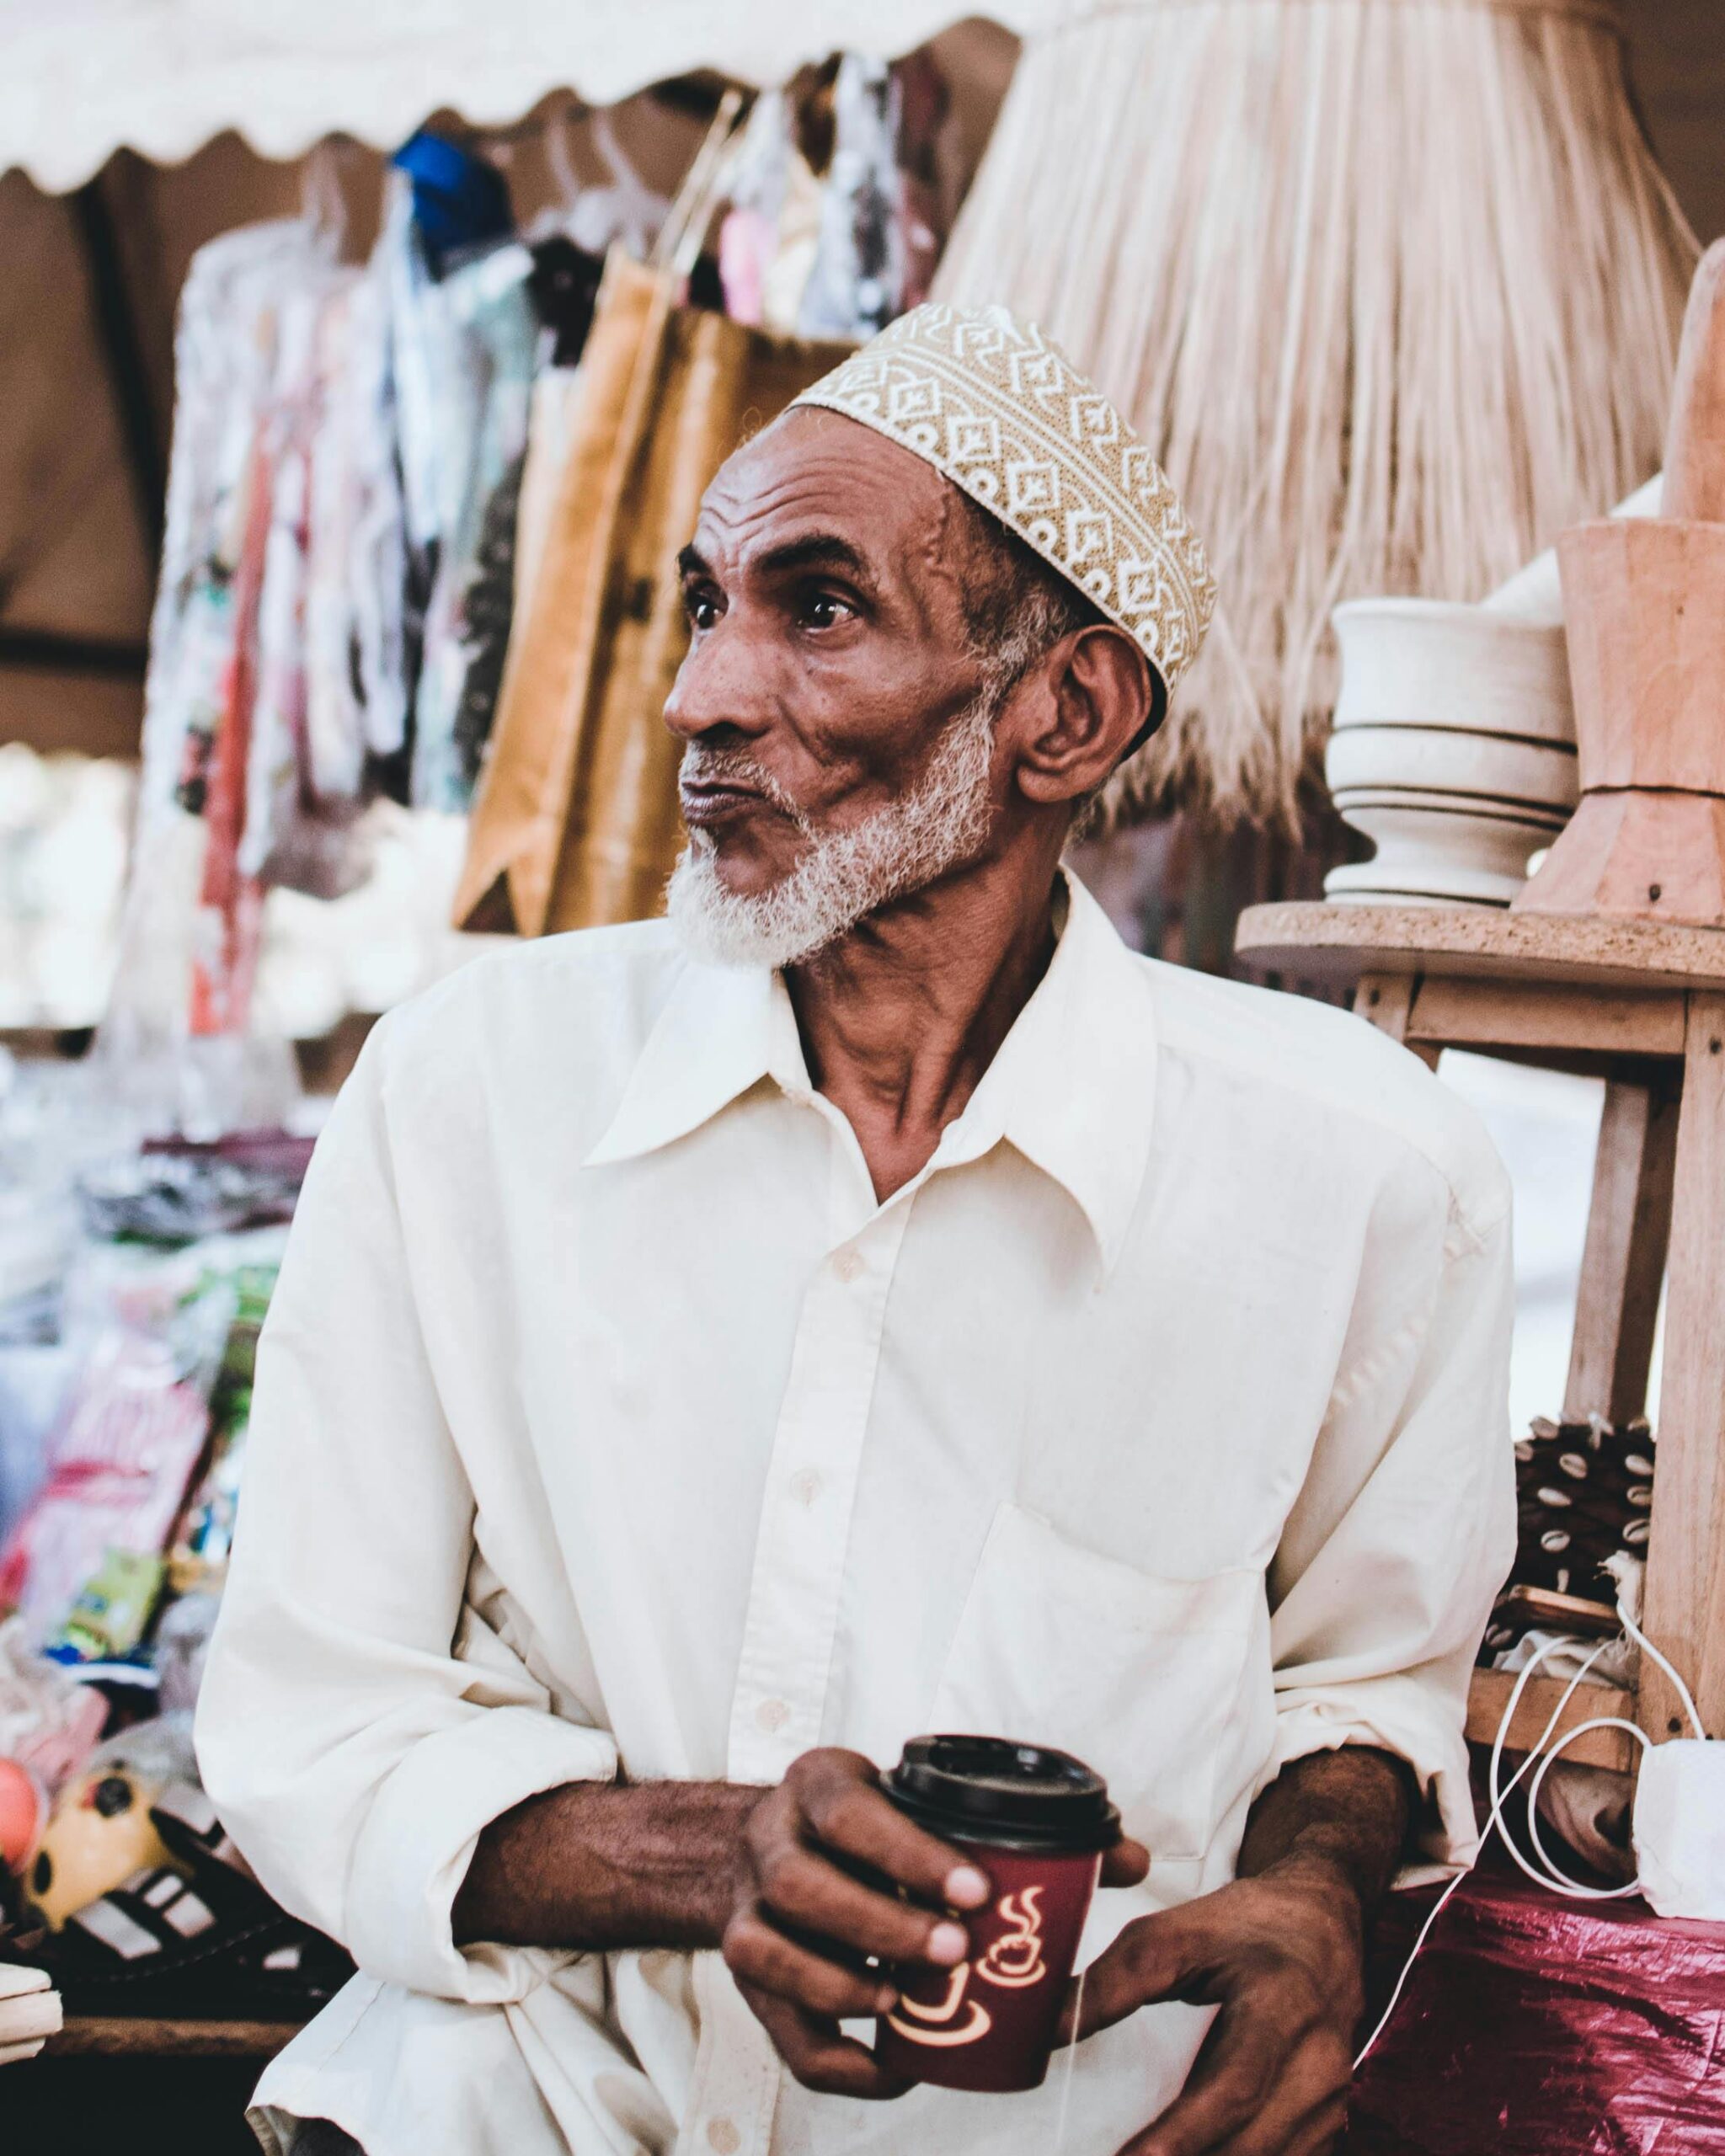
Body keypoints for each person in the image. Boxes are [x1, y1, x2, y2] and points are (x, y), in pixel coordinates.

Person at [197, 303, 1514, 2156]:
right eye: (704, 602)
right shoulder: (469, 1092)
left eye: (815, 608)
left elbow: (1360, 1688)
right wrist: (712, 1851)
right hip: (523, 2110)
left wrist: (1318, 1884)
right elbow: (307, 1716)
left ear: (1068, 711)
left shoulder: (1365, 1174)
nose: (702, 696)